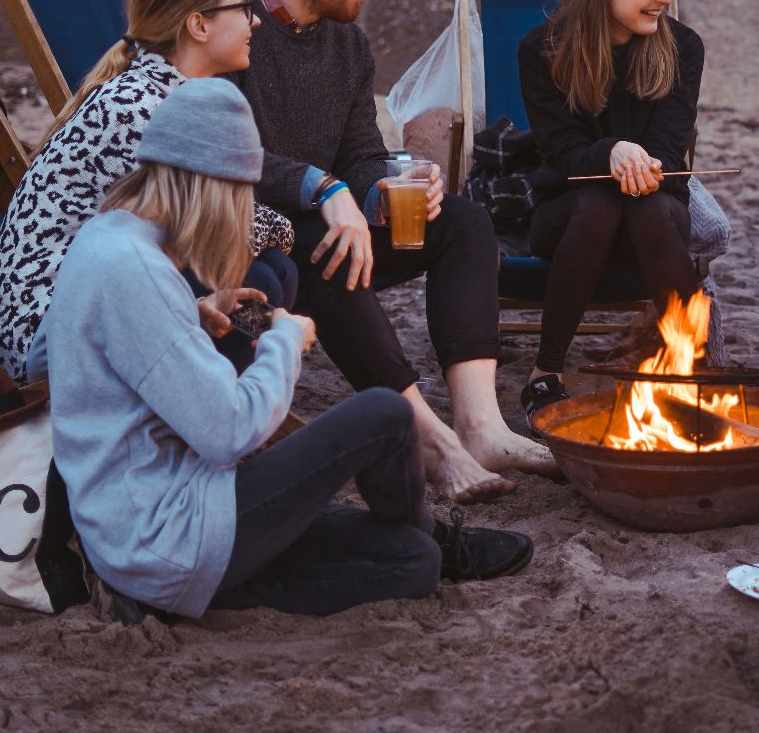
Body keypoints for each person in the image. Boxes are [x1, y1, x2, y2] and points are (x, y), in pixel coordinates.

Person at [35, 79, 534, 622]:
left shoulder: (108, 238)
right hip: (169, 533)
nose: (242, 211)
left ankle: (419, 542)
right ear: (210, 184)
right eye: (241, 193)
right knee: (385, 414)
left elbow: (91, 355)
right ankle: (428, 529)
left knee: (411, 563)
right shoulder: (136, 271)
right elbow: (229, 432)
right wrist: (284, 341)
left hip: (155, 530)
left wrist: (194, 312)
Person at [230, 0, 557, 502]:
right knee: (330, 247)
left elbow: (359, 149)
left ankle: (481, 425)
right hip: (251, 240)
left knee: (462, 221)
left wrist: (386, 184)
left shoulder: (348, 43)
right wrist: (326, 190)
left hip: (335, 220)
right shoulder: (231, 26)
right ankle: (430, 441)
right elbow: (225, 153)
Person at [0, 0, 297, 381]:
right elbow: (217, 230)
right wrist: (287, 222)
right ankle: (213, 406)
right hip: (49, 337)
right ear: (198, 24)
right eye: (244, 9)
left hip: (97, 300)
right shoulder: (139, 109)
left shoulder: (158, 92)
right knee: (259, 272)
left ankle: (219, 397)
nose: (256, 20)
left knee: (269, 273)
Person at [515, 0, 704, 421]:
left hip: (656, 212)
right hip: (568, 213)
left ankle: (689, 368)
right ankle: (546, 371)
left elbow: (668, 145)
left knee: (643, 205)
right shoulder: (543, 51)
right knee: (600, 202)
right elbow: (562, 152)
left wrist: (642, 163)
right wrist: (610, 151)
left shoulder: (683, 48)